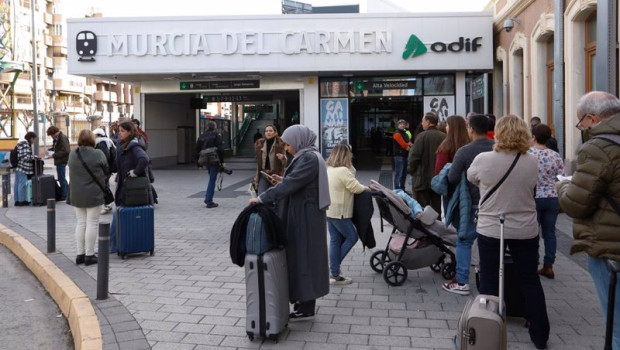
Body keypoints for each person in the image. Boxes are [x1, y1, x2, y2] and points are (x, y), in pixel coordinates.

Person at [468, 115, 550, 350]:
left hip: (492, 225)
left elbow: (471, 177)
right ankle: (540, 334)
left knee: (489, 277)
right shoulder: (532, 161)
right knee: (530, 280)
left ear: (499, 132)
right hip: (525, 227)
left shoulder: (484, 158)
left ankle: (486, 332)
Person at [557, 91, 620, 349]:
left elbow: (576, 203)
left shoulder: (598, 147)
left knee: (616, 324)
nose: (581, 128)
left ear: (592, 118)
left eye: (581, 123)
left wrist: (562, 188)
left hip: (610, 247)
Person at [248, 124, 330, 322]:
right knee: (303, 257)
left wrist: (262, 198)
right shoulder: (308, 155)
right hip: (304, 214)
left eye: (288, 143)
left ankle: (307, 306)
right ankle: (303, 302)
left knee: (304, 258)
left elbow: (292, 184)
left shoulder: (308, 158)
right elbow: (294, 181)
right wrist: (282, 179)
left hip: (304, 217)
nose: (286, 147)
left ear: (299, 140)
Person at [442, 114, 494, 295]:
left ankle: (462, 281)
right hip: (494, 203)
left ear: (471, 129)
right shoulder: (497, 147)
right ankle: (488, 279)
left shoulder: (464, 151)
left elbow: (452, 177)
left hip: (472, 202)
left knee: (464, 240)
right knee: (489, 242)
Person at [325, 143, 369, 285]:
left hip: (330, 210)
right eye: (349, 153)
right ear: (346, 155)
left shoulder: (330, 169)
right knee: (352, 237)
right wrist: (367, 188)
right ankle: (334, 270)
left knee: (335, 240)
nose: (351, 155)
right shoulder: (343, 170)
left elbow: (351, 176)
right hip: (341, 212)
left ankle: (334, 273)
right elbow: (355, 187)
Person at [109, 121, 151, 253]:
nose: (119, 133)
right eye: (119, 131)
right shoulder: (123, 145)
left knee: (118, 215)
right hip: (126, 186)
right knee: (120, 215)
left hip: (131, 189)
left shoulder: (134, 146)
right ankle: (117, 245)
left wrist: (135, 172)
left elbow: (144, 159)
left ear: (130, 132)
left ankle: (112, 246)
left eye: (122, 131)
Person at [529, 124, 564, 279]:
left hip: (533, 197)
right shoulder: (555, 155)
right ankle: (548, 265)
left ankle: (533, 263)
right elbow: (561, 177)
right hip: (551, 197)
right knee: (550, 232)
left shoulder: (528, 154)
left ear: (533, 137)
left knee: (532, 232)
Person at [68, 130, 108, 266]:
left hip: (76, 194)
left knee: (81, 223)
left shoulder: (73, 154)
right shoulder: (98, 154)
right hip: (93, 194)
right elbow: (106, 169)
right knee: (92, 223)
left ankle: (80, 254)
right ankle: (90, 255)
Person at [408, 112, 445, 215]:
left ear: (428, 122)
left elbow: (413, 158)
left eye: (423, 121)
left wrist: (411, 171)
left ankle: (424, 230)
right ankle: (437, 229)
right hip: (438, 180)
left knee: (421, 210)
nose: (422, 123)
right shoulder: (443, 136)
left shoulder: (421, 136)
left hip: (422, 180)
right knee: (436, 209)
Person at [195, 121, 225, 208]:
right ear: (214, 127)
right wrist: (222, 161)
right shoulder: (216, 135)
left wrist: (198, 164)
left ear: (207, 127)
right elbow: (220, 149)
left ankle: (208, 198)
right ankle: (209, 201)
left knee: (211, 178)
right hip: (214, 160)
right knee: (212, 180)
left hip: (206, 160)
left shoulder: (202, 136)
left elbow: (196, 150)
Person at [254, 125, 287, 195]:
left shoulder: (280, 144)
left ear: (275, 132)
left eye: (270, 131)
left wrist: (282, 158)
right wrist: (256, 178)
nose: (268, 132)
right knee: (261, 194)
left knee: (275, 196)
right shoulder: (260, 145)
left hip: (275, 174)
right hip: (264, 174)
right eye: (266, 131)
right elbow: (258, 164)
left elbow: (285, 162)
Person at [93, 128, 116, 214]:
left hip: (105, 169)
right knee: (105, 185)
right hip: (107, 168)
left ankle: (107, 204)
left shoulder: (102, 142)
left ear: (98, 135)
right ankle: (107, 204)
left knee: (103, 186)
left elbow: (104, 157)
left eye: (94, 135)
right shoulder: (106, 141)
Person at [46, 125, 70, 201]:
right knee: (61, 178)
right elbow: (56, 148)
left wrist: (53, 155)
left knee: (61, 178)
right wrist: (50, 150)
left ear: (54, 133)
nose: (51, 137)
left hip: (62, 160)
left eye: (51, 135)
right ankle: (66, 193)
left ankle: (64, 195)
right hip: (59, 160)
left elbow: (66, 151)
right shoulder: (57, 138)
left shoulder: (62, 138)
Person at [13, 132, 37, 206]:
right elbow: (25, 157)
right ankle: (22, 201)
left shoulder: (20, 143)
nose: (34, 141)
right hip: (23, 167)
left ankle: (17, 200)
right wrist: (34, 157)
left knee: (17, 184)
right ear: (31, 138)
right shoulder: (25, 144)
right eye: (34, 139)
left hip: (18, 167)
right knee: (22, 184)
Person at [392, 119, 410, 190]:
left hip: (405, 155)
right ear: (397, 125)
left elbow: (409, 143)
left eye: (404, 124)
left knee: (404, 174)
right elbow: (404, 145)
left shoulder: (405, 133)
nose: (402, 125)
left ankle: (402, 189)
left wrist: (409, 144)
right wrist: (410, 148)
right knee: (399, 174)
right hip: (399, 156)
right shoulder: (397, 134)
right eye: (401, 124)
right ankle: (397, 189)